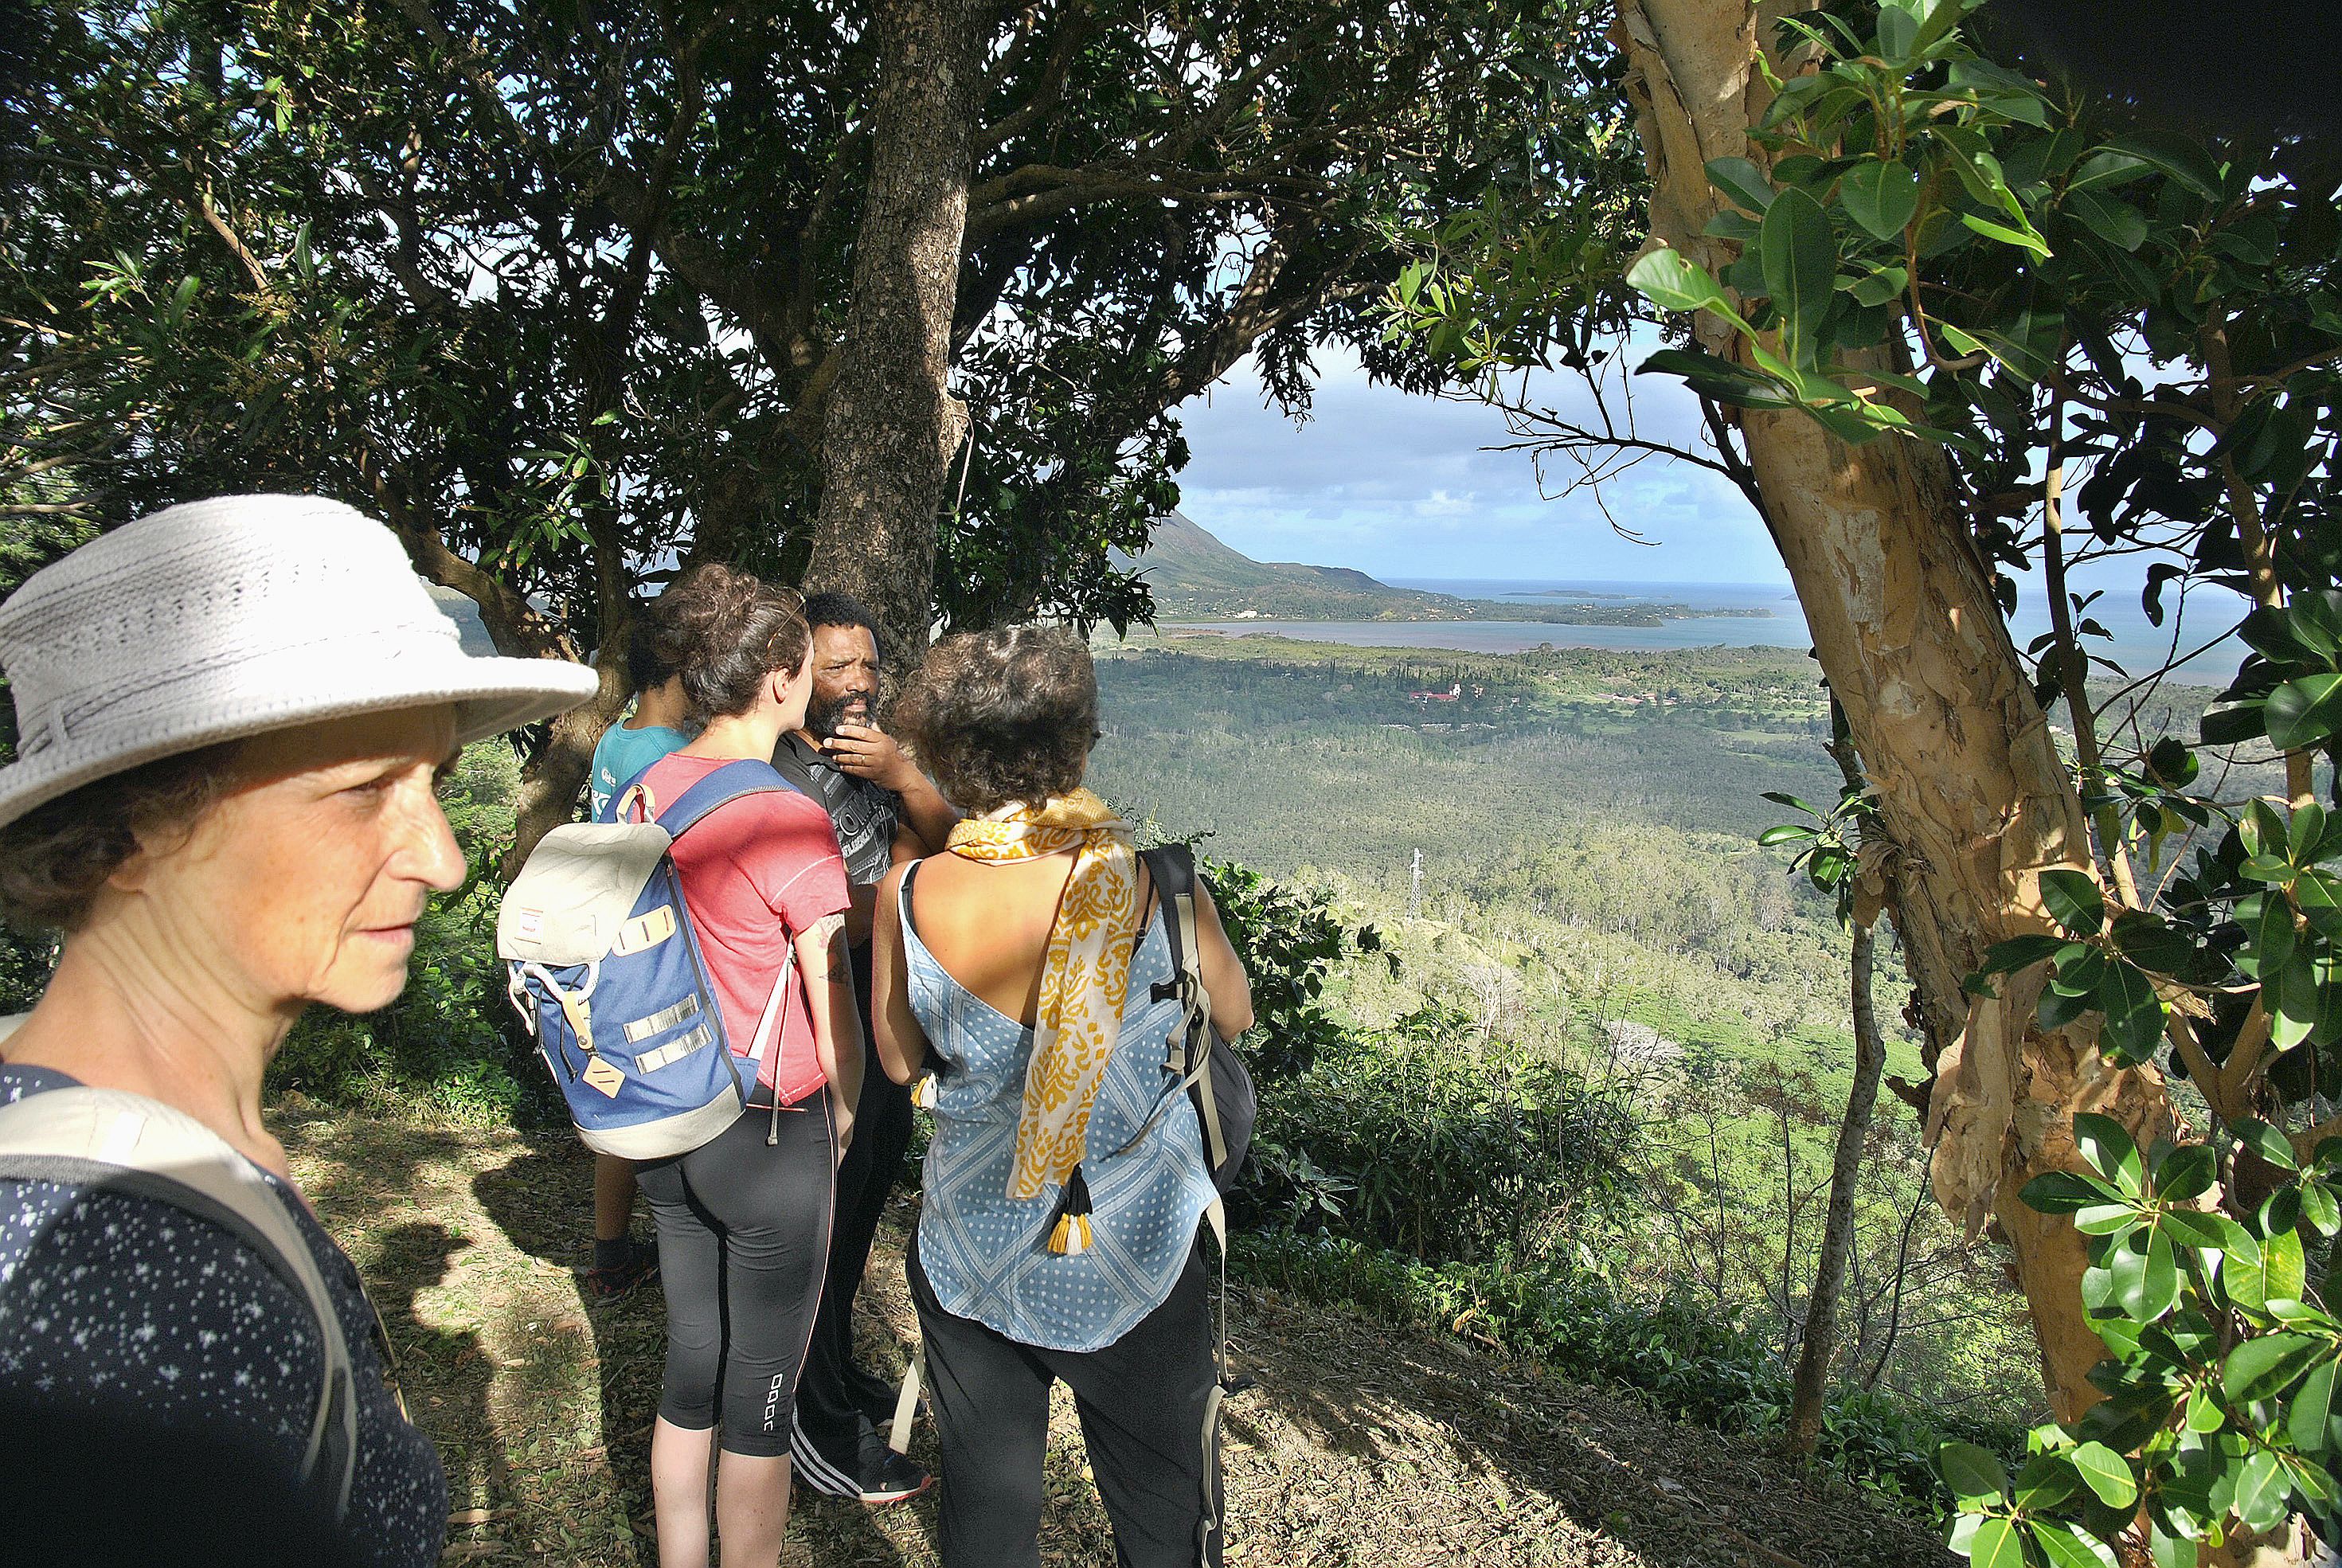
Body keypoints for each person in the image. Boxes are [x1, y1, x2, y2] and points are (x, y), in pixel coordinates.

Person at [0, 495, 600, 1568]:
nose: (443, 858)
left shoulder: (112, 1134)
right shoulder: (140, 1293)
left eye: (437, 781)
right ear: (129, 830)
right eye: (362, 790)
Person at [870, 626, 1255, 1568]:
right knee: (1163, 1512)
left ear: (947, 753)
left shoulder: (909, 892)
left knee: (987, 1514)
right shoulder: (1161, 887)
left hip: (973, 1245)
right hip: (1137, 1248)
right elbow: (1232, 1018)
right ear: (1077, 742)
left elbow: (893, 1059)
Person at [628, 563, 862, 1568]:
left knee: (692, 1365)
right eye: (808, 667)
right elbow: (830, 980)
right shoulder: (783, 812)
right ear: (777, 676)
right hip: (768, 1124)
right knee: (761, 1393)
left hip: (667, 1103)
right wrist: (846, 1106)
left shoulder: (648, 785)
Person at [771, 592, 956, 1504]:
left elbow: (952, 853)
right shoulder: (777, 768)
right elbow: (833, 907)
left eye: (869, 666)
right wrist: (893, 883)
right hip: (813, 1039)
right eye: (834, 666)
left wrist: (904, 775)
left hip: (878, 1027)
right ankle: (810, 1426)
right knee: (817, 1232)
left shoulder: (874, 761)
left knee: (855, 1221)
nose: (855, 685)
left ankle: (834, 1378)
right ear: (795, 672)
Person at [581, 597, 696, 1301]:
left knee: (620, 1101)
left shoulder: (616, 739)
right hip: (653, 945)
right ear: (675, 675)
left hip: (608, 938)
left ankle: (610, 1250)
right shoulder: (668, 757)